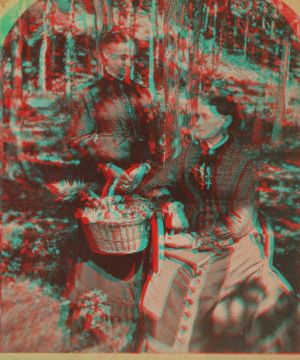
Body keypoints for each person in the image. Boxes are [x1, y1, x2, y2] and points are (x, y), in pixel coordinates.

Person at [137, 95, 300, 353]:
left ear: (224, 121)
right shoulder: (189, 153)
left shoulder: (242, 164)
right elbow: (151, 184)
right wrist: (171, 205)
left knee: (203, 279)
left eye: (201, 116)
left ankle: (204, 346)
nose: (193, 122)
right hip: (190, 232)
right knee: (170, 270)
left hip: (234, 242)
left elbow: (238, 222)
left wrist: (194, 240)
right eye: (192, 115)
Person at [63, 29, 155, 350]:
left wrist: (142, 167)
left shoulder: (137, 94)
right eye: (119, 56)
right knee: (96, 252)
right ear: (103, 55)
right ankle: (90, 317)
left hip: (133, 184)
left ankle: (127, 316)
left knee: (130, 247)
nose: (125, 62)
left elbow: (148, 142)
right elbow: (76, 141)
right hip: (101, 185)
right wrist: (107, 168)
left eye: (129, 57)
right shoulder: (89, 94)